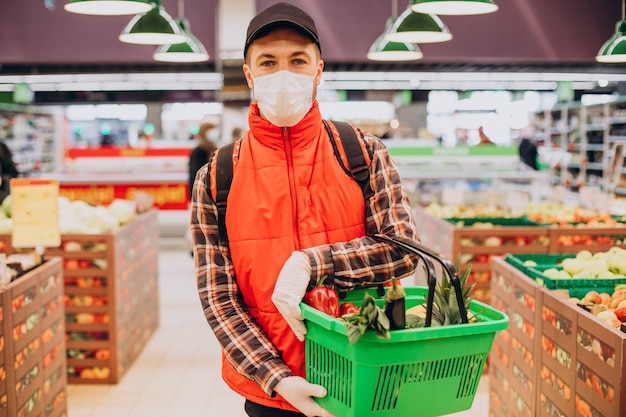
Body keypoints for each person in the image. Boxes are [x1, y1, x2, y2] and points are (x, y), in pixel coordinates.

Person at [190, 3, 420, 417]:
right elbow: (218, 298)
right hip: (273, 394)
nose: (284, 73)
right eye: (268, 61)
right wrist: (277, 378)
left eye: (298, 60)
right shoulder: (217, 177)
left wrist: (314, 263)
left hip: (368, 374)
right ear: (248, 73)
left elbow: (404, 250)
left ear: (318, 70)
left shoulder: (363, 153)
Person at [188, 122, 218, 200]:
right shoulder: (198, 152)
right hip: (202, 193)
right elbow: (194, 175)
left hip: (214, 193)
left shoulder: (215, 149)